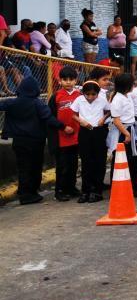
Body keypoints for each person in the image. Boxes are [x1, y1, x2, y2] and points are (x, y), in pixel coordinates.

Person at [0, 76, 66, 204]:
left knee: (23, 167)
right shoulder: (37, 103)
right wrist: (63, 126)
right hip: (35, 141)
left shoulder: (12, 102)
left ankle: (24, 193)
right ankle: (31, 193)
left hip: (19, 141)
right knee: (35, 167)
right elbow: (48, 118)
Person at [70, 81, 109, 202]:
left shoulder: (102, 100)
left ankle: (97, 191)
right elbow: (73, 115)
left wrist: (103, 118)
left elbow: (109, 111)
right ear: (83, 93)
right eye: (88, 94)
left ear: (97, 93)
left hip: (99, 131)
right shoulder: (79, 100)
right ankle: (85, 191)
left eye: (93, 94)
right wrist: (81, 121)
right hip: (85, 131)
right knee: (86, 161)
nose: (91, 97)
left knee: (99, 161)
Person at [46, 66, 81, 201]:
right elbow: (50, 117)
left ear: (75, 80)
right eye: (65, 79)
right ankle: (59, 191)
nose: (68, 82)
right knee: (62, 166)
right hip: (61, 138)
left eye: (71, 79)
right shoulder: (56, 96)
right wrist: (63, 127)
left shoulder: (80, 95)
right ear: (60, 81)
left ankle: (71, 188)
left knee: (73, 164)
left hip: (76, 136)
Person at [107, 73, 137, 190]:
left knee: (131, 159)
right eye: (132, 83)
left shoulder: (128, 96)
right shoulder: (117, 99)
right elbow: (116, 120)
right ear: (127, 85)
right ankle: (117, 187)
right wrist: (126, 134)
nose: (134, 85)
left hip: (130, 128)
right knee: (119, 159)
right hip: (122, 131)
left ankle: (129, 185)